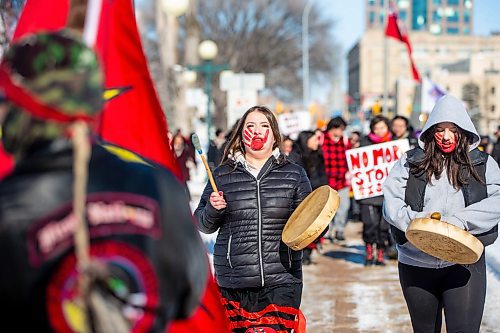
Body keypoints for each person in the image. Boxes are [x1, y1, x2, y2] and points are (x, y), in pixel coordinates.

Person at [0, 30, 208, 332]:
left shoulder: (8, 206)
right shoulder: (159, 186)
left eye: (4, 99)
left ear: (27, 108)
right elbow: (188, 293)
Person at [383, 94, 500, 332]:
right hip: (415, 263)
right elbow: (391, 202)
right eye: (440, 129)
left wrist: (458, 222)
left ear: (464, 130)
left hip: (465, 263)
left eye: (453, 129)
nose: (446, 136)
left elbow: (496, 201)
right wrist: (419, 223)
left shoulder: (485, 164)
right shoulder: (409, 161)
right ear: (430, 131)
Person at [194, 106, 311, 332]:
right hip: (234, 281)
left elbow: (310, 224)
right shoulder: (221, 175)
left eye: (264, 125)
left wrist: (318, 222)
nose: (257, 131)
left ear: (275, 134)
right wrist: (213, 208)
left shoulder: (294, 174)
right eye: (250, 126)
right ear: (240, 134)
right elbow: (202, 223)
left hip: (282, 279)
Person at [359, 115, 393, 266]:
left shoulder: (394, 144)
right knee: (369, 223)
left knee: (383, 225)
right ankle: (369, 251)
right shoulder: (364, 143)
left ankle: (380, 253)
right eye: (376, 128)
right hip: (368, 192)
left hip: (387, 193)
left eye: (382, 128)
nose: (379, 131)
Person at [295, 130, 328, 265]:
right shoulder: (297, 157)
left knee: (318, 227)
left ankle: (309, 252)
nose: (317, 142)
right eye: (314, 139)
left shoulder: (318, 155)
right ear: (306, 141)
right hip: (303, 198)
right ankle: (304, 254)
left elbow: (322, 176)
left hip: (317, 196)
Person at [322, 116, 351, 242]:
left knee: (344, 206)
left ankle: (339, 229)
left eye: (342, 129)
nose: (340, 132)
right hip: (326, 180)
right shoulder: (321, 139)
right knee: (327, 207)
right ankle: (327, 230)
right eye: (338, 128)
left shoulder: (345, 141)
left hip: (342, 180)